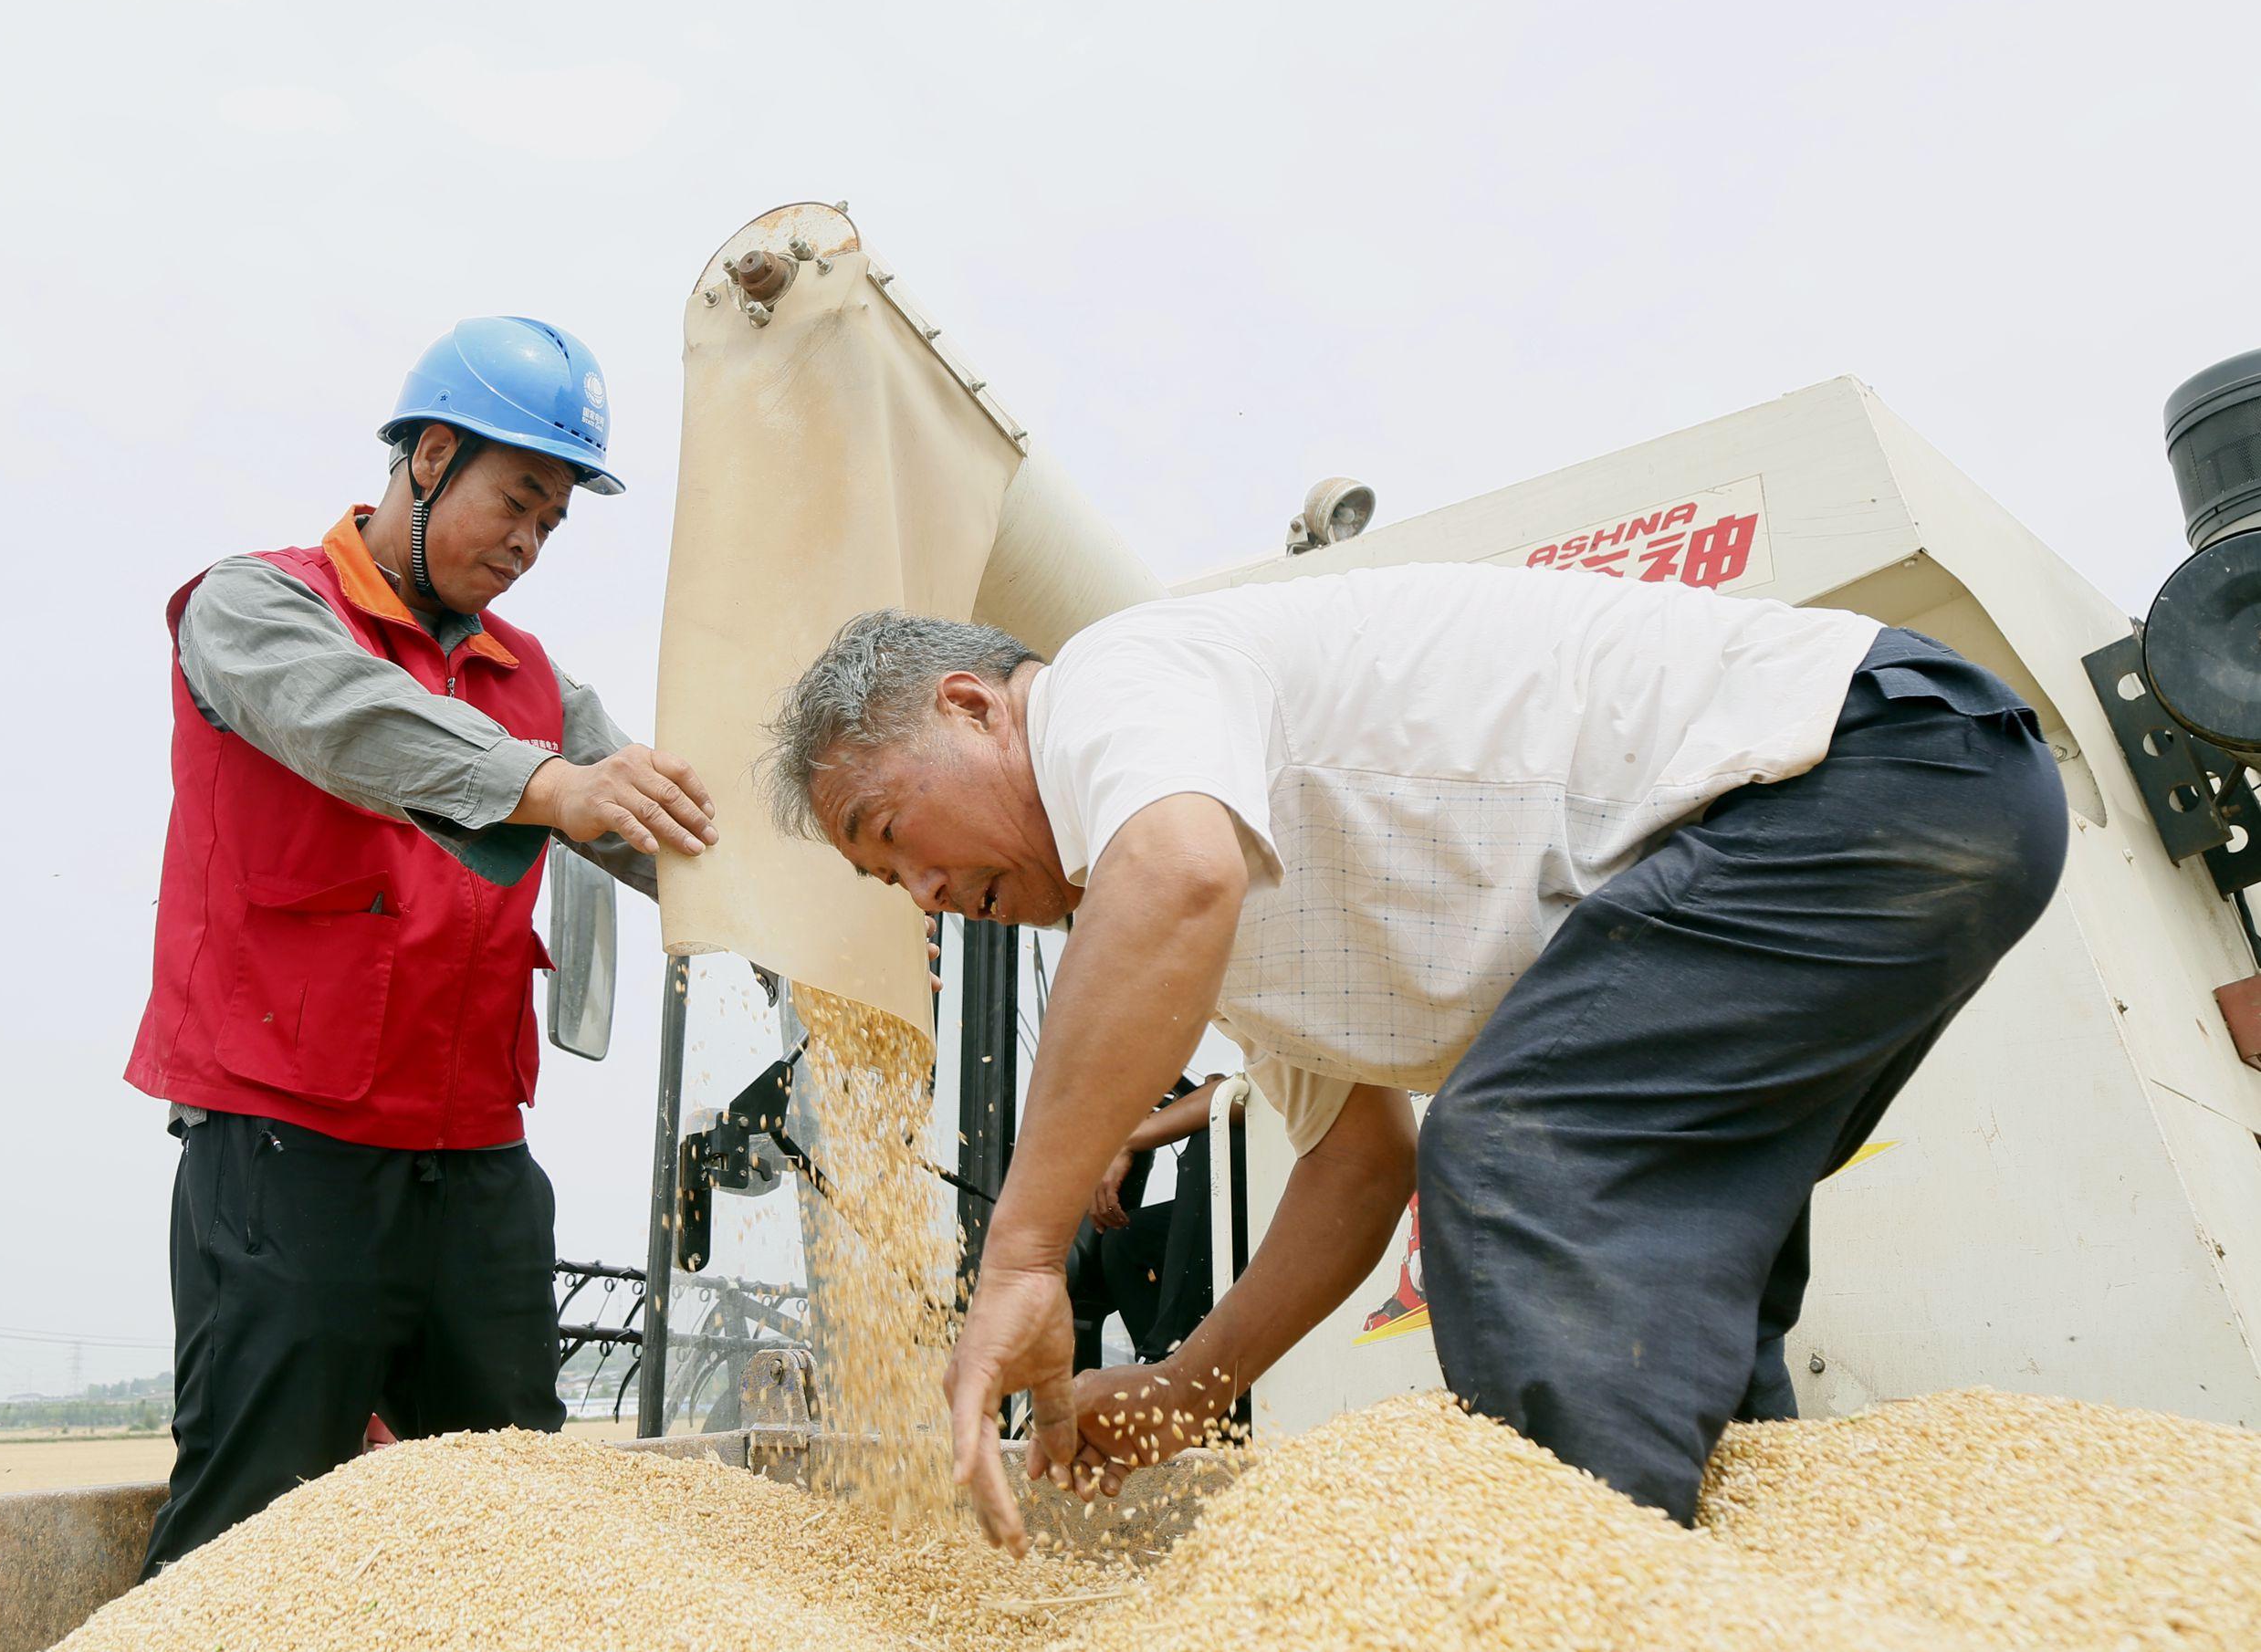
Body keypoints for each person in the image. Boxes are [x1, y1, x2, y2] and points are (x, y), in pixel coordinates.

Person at [759, 564, 2065, 1551]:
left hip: (1872, 759)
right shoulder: (1237, 885)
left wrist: (1027, 1252)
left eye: (893, 830)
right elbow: (1356, 1161)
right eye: (889, 880)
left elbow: (1175, 872)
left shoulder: (1112, 685)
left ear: (974, 704)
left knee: (1515, 1151)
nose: (924, 887)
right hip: (1917, 798)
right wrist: (1183, 1388)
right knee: (1674, 1307)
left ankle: (1592, 1605)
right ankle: (1743, 1588)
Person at [127, 318, 719, 1574]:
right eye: (516, 500)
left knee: (522, 1508)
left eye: (554, 522)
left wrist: (813, 918)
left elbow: (648, 818)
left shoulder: (534, 681)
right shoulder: (254, 606)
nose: (528, 542)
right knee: (254, 1514)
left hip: (474, 1164)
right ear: (431, 454)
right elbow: (359, 726)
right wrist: (551, 785)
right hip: (288, 1152)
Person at [1066, 1076, 1244, 1373]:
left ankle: (1171, 1365)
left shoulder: (1293, 1045)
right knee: (1127, 1238)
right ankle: (1157, 1363)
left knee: (1213, 1142)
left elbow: (1242, 1097)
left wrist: (1130, 1141)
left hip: (1288, 1192)